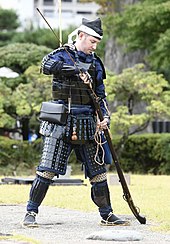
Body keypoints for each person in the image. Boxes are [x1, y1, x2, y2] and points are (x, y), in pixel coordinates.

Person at [22, 17, 129, 227]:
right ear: (81, 36)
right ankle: (30, 213)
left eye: (97, 42)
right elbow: (46, 65)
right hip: (61, 124)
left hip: (88, 123)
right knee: (46, 171)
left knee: (98, 173)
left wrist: (105, 117)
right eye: (92, 41)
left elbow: (101, 95)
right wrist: (73, 71)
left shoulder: (96, 63)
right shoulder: (61, 55)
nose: (94, 46)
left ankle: (106, 214)